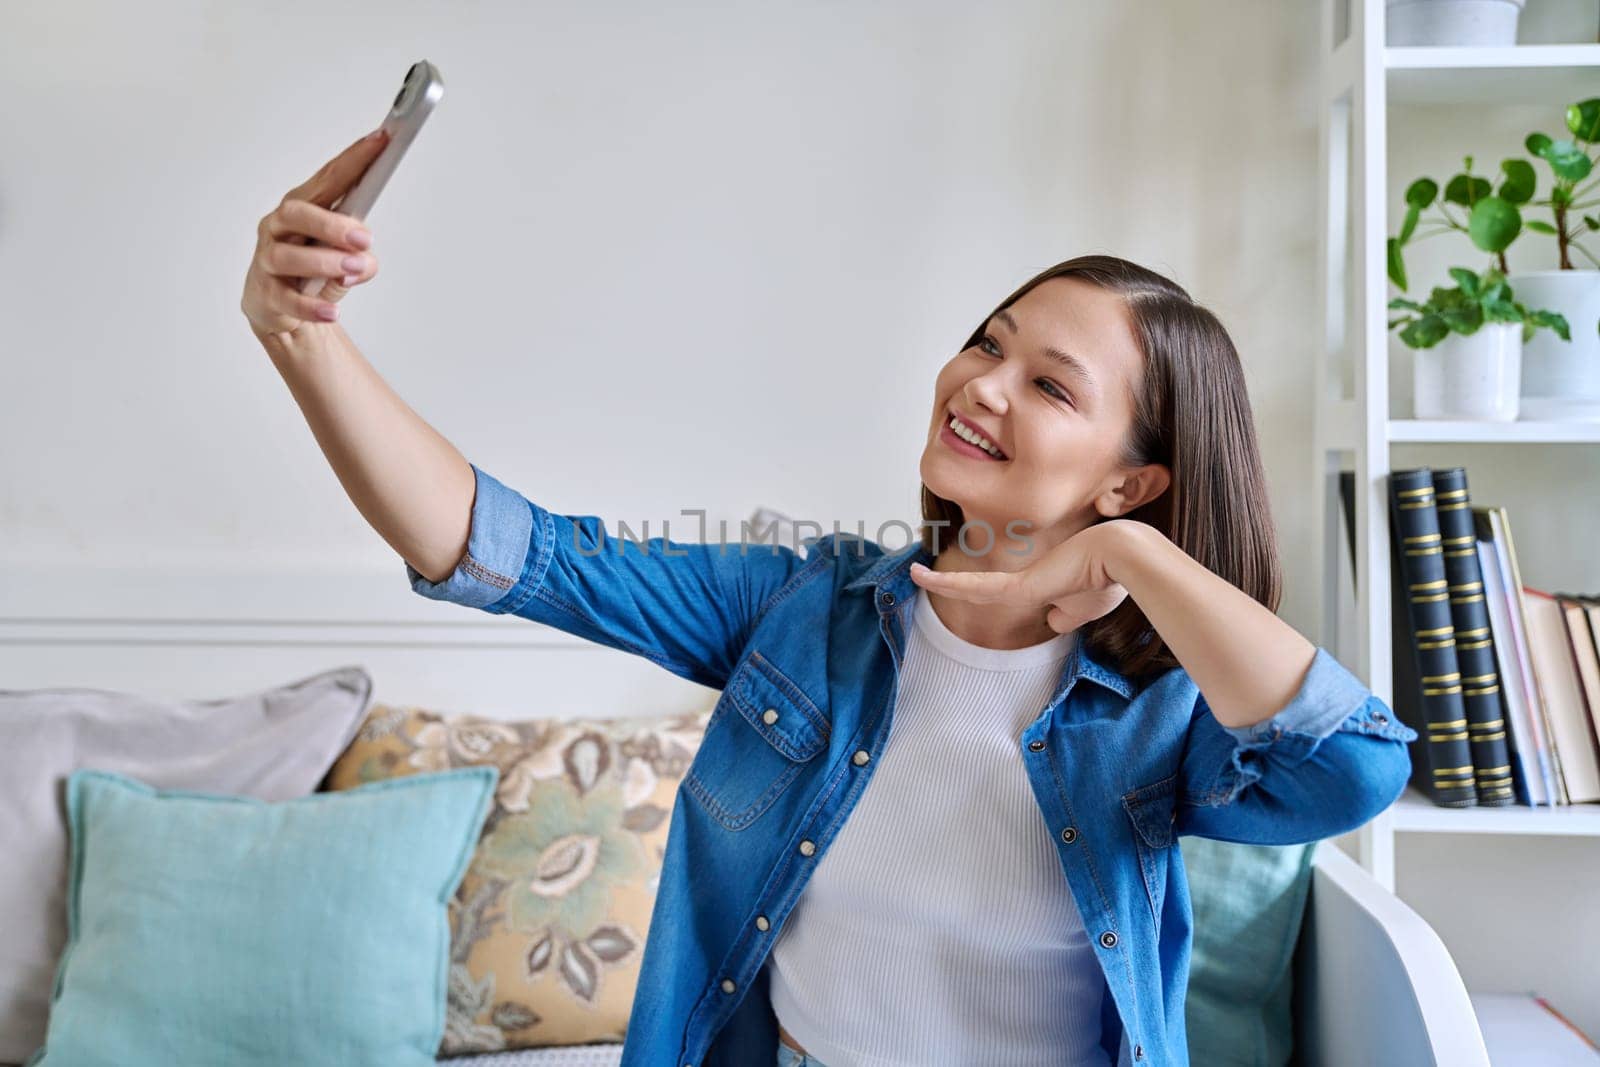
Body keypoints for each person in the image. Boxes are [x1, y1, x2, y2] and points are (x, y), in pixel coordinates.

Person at [242, 133, 1419, 1067]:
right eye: (986, 344)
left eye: (1049, 385)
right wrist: (302, 335)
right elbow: (516, 552)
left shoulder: (1161, 707)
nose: (980, 384)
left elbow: (1355, 764)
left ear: (1133, 478)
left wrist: (1137, 559)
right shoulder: (806, 607)